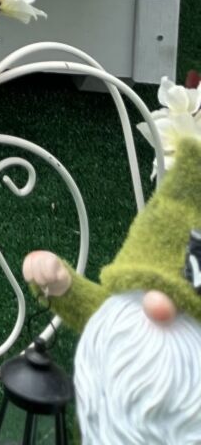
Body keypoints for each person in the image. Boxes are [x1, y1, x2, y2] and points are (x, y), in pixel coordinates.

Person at [22, 131, 201, 442]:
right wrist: (62, 285)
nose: (157, 305)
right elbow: (94, 307)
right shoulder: (118, 324)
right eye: (143, 291)